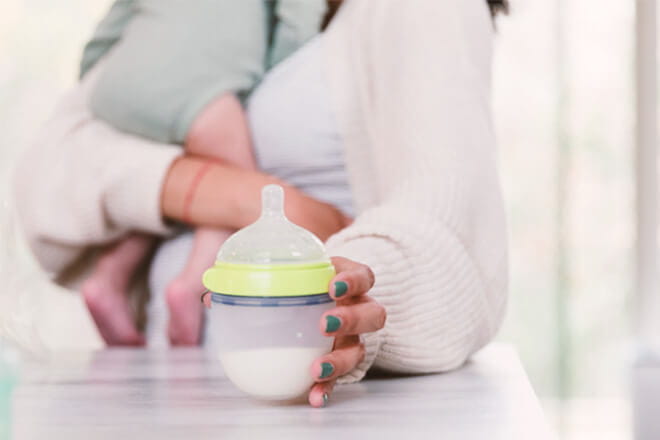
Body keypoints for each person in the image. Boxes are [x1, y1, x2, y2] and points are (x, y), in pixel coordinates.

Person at [13, 0, 509, 408]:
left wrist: (348, 292)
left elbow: (450, 237)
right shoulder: (215, 17)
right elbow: (45, 179)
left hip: (309, 407)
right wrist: (246, 198)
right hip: (175, 395)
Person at [76, 0, 334, 347]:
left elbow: (110, 30)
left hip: (117, 82)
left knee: (168, 179)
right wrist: (271, 75)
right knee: (233, 180)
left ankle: (108, 279)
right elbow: (297, 18)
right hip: (203, 89)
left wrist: (98, 83)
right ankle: (192, 285)